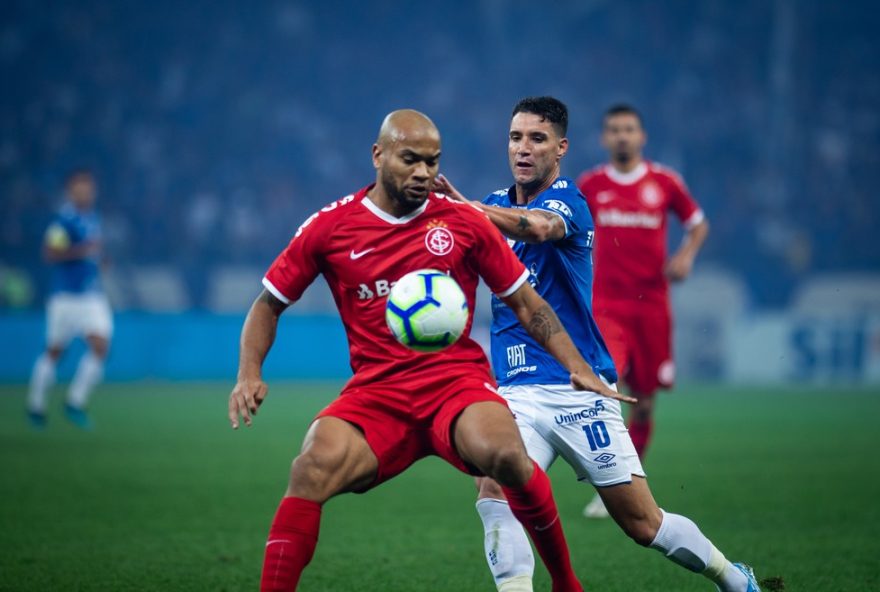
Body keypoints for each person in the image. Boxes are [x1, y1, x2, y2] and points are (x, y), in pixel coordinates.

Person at [228, 109, 633, 592]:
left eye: (432, 162)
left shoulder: (465, 222)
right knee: (310, 467)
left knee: (507, 455)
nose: (422, 172)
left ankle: (567, 583)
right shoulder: (330, 227)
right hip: (378, 392)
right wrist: (249, 372)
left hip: (455, 385)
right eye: (410, 160)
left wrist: (576, 366)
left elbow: (528, 303)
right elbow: (268, 303)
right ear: (378, 156)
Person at [435, 97, 758, 592]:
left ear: (561, 148)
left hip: (580, 389)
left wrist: (466, 210)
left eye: (537, 138)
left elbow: (538, 228)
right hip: (518, 390)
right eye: (515, 137)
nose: (523, 148)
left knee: (643, 524)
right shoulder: (493, 203)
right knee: (494, 486)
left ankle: (734, 579)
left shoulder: (568, 201)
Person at [576, 104, 710, 518]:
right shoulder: (591, 185)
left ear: (641, 136)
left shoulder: (665, 182)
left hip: (652, 308)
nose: (621, 136)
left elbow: (698, 223)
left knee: (646, 401)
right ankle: (610, 481)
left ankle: (624, 481)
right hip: (606, 307)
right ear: (604, 138)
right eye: (614, 129)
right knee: (605, 389)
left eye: (629, 129)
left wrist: (686, 255)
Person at [27, 169, 112, 429]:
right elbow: (51, 253)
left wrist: (99, 261)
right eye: (80, 187)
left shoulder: (92, 218)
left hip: (90, 295)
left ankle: (75, 402)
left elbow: (92, 253)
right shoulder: (64, 220)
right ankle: (36, 405)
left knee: (100, 346)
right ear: (70, 191)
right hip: (65, 296)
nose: (85, 191)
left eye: (88, 187)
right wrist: (82, 251)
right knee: (54, 351)